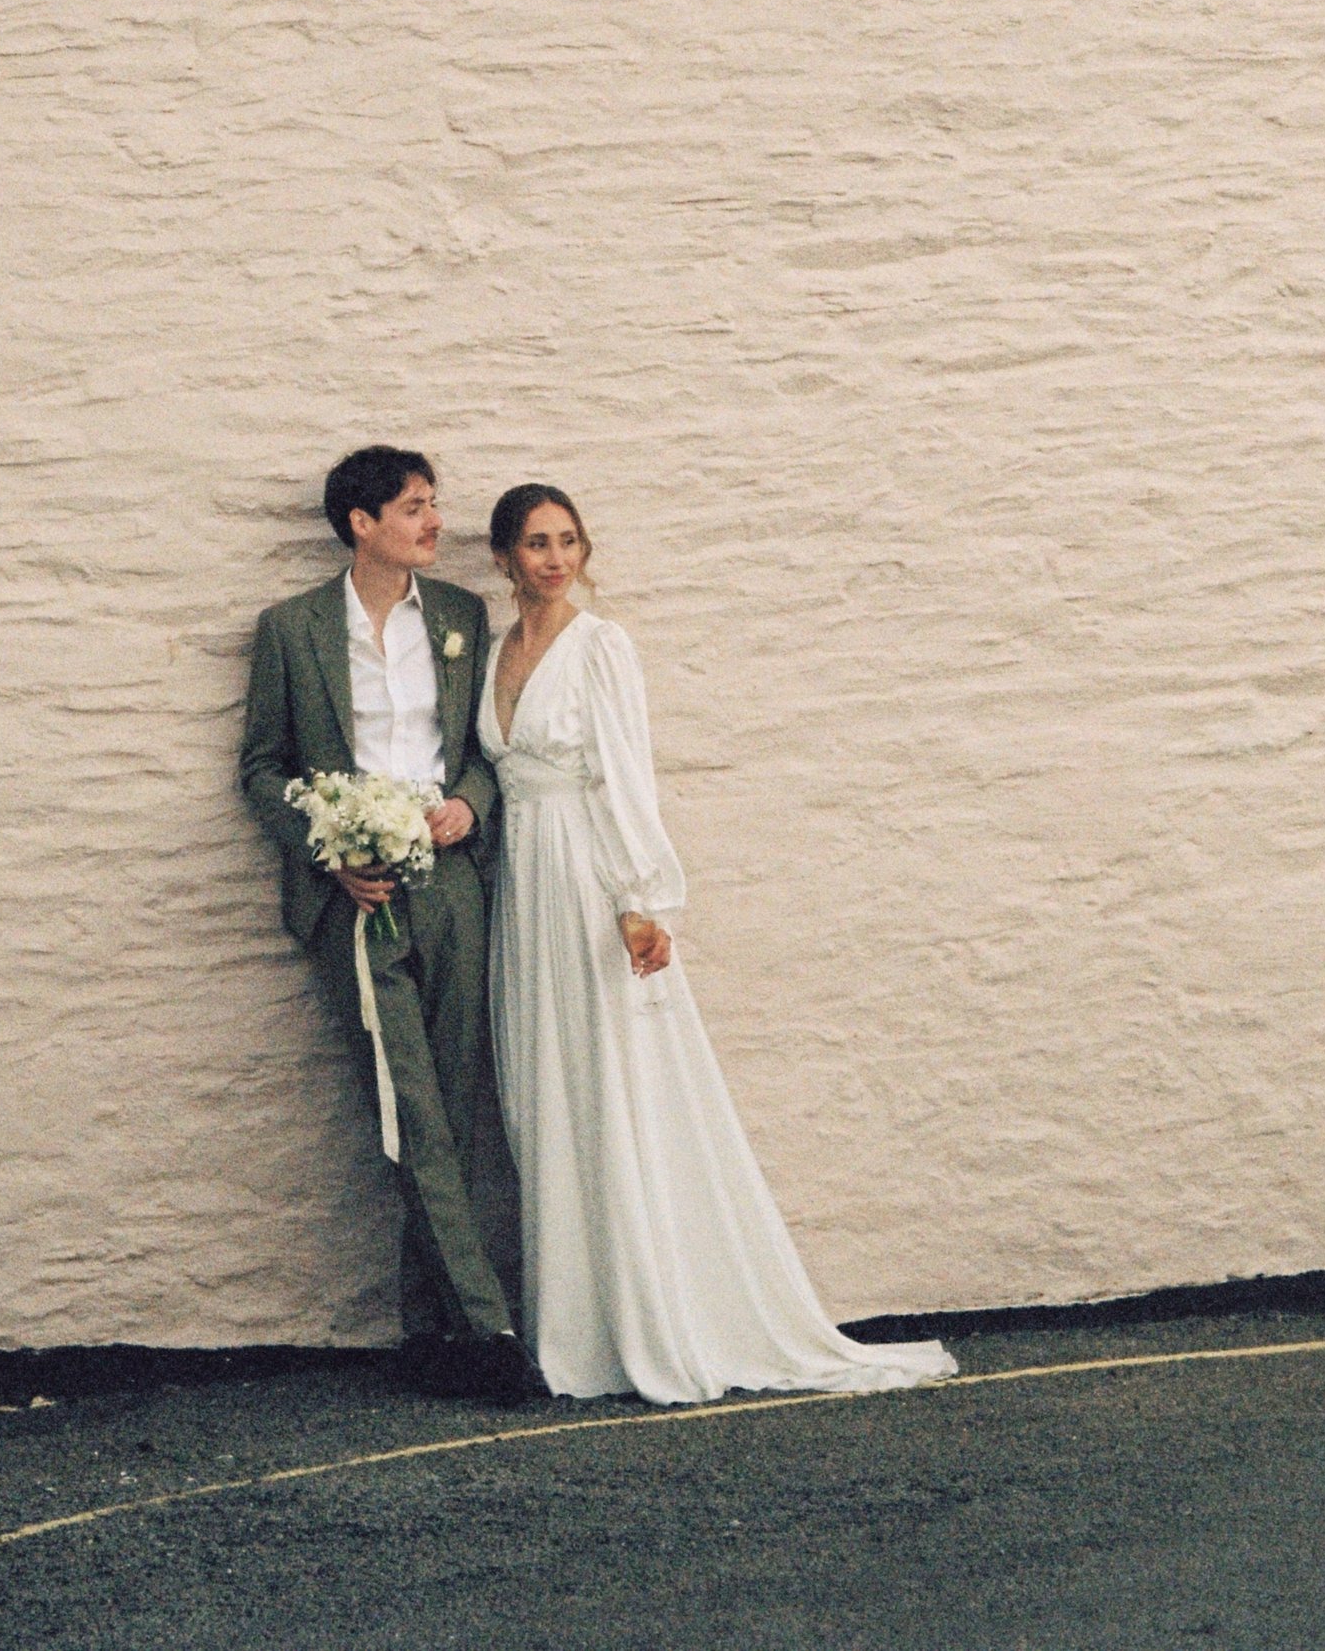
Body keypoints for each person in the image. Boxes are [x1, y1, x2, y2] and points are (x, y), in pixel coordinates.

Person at [479, 480, 956, 1407]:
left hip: (585, 880)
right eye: (536, 543)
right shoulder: (497, 650)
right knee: (549, 1089)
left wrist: (639, 898)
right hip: (523, 889)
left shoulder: (600, 646)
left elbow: (626, 774)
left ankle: (655, 1314)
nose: (556, 558)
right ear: (504, 557)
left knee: (614, 1082)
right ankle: (576, 1324)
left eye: (569, 540)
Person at [239, 445, 541, 1404]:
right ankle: (488, 1327)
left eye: (433, 504)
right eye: (414, 507)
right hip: (356, 897)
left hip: (451, 885)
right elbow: (261, 766)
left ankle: (427, 1332)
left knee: (451, 1102)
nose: (434, 522)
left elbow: (489, 753)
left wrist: (468, 807)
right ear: (360, 523)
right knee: (408, 1098)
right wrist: (328, 849)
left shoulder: (459, 618)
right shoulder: (291, 630)